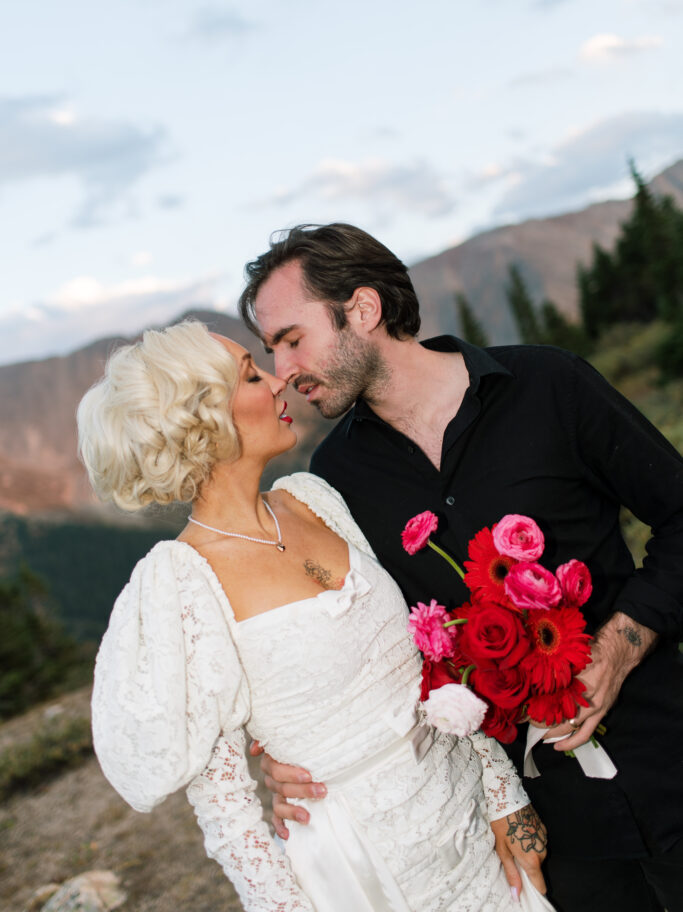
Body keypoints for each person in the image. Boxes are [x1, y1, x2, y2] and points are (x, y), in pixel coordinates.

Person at [239, 222, 683, 912]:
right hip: (549, 831)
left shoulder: (548, 384)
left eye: (292, 339)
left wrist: (622, 646)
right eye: (271, 351)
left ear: (361, 310)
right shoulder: (334, 481)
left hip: (671, 749)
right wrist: (288, 754)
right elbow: (356, 644)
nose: (283, 370)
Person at [78, 320, 551, 912]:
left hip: (470, 820)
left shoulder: (315, 498)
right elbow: (228, 816)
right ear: (200, 419)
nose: (279, 382)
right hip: (362, 866)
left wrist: (505, 795)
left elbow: (431, 666)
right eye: (251, 375)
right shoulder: (182, 584)